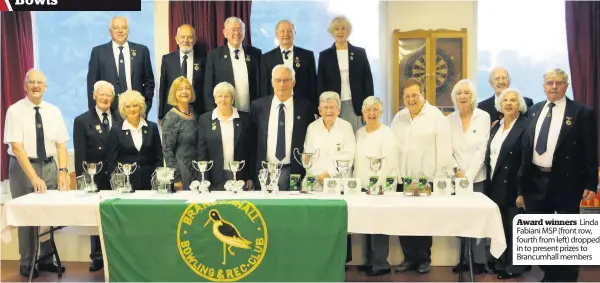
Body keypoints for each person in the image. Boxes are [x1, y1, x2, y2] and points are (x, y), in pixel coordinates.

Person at [517, 68, 597, 282]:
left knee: (566, 235)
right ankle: (550, 274)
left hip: (567, 181)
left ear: (566, 86)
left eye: (559, 83)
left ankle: (567, 278)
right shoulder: (534, 111)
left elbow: (590, 149)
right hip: (535, 180)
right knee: (541, 234)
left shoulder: (582, 112)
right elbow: (527, 148)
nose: (554, 86)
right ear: (544, 86)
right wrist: (521, 184)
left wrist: (591, 182)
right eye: (550, 83)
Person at [4, 69, 69, 278]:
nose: (35, 86)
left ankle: (47, 258)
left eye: (39, 82)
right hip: (23, 167)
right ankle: (27, 261)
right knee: (27, 215)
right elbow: (17, 147)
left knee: (48, 213)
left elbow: (61, 144)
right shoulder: (15, 111)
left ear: (45, 87)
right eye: (31, 82)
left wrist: (62, 171)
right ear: (25, 85)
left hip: (49, 165)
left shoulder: (53, 111)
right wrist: (33, 177)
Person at [390, 78, 454, 274]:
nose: (411, 99)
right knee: (404, 220)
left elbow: (444, 148)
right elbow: (393, 147)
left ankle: (424, 259)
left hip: (426, 179)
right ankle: (409, 257)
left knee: (422, 220)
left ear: (423, 95)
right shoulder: (398, 118)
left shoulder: (436, 116)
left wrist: (439, 177)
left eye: (415, 95)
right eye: (407, 96)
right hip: (404, 178)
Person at [73, 80, 121, 272]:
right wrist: (83, 181)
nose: (105, 97)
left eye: (109, 94)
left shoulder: (121, 117)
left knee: (117, 216)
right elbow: (80, 155)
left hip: (118, 177)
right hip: (95, 178)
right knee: (96, 217)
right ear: (94, 96)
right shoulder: (82, 121)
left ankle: (116, 254)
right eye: (101, 94)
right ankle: (98, 256)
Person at [447, 79, 491, 274]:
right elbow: (447, 149)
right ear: (454, 97)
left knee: (476, 219)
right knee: (460, 219)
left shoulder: (483, 117)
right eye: (459, 93)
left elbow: (483, 149)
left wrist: (469, 175)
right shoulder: (449, 119)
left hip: (477, 177)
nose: (462, 96)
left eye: (466, 92)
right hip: (457, 178)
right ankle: (464, 259)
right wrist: (457, 170)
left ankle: (480, 261)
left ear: (472, 96)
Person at [484, 88, 529, 279]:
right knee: (500, 226)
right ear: (500, 106)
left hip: (514, 184)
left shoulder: (526, 126)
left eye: (513, 100)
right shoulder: (496, 126)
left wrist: (522, 192)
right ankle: (500, 262)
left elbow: (527, 162)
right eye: (505, 101)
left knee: (514, 227)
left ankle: (515, 266)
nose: (509, 104)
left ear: (519, 105)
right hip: (495, 184)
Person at [250, 64, 315, 190]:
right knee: (264, 209)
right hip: (264, 172)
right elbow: (251, 142)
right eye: (278, 80)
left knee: (292, 208)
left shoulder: (305, 107)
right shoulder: (258, 107)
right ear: (272, 82)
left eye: (286, 80)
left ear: (293, 83)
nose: (281, 84)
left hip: (294, 171)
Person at [353, 96, 398, 277]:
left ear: (381, 112)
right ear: (363, 113)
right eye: (368, 110)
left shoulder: (387, 133)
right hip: (362, 186)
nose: (371, 113)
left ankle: (381, 263)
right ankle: (370, 260)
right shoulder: (359, 133)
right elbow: (357, 162)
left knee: (379, 225)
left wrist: (376, 186)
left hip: (380, 188)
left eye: (375, 110)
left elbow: (388, 163)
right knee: (366, 224)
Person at [87, 16, 155, 114]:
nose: (120, 31)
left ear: (128, 30)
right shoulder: (98, 52)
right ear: (110, 31)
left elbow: (149, 82)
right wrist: (95, 114)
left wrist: (145, 107)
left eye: (123, 27)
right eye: (116, 28)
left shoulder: (142, 51)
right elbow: (92, 85)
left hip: (135, 110)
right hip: (108, 111)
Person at [317, 16, 373, 132]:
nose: (340, 32)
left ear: (348, 31)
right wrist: (321, 108)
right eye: (336, 29)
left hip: (355, 103)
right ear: (332, 32)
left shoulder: (359, 53)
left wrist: (369, 105)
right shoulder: (325, 55)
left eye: (343, 28)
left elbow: (368, 81)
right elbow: (320, 84)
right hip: (333, 105)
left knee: (356, 134)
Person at [197, 82, 253, 190]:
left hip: (240, 177)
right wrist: (203, 180)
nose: (223, 99)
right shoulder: (205, 120)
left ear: (232, 99)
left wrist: (250, 177)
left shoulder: (245, 119)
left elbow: (250, 150)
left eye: (227, 96)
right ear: (215, 99)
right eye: (219, 96)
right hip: (215, 178)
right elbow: (202, 152)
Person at [107, 90, 163, 191]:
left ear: (141, 107)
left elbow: (159, 156)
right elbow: (112, 161)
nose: (132, 109)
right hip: (126, 185)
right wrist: (117, 184)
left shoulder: (152, 127)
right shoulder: (116, 130)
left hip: (150, 183)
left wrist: (158, 180)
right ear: (123, 109)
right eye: (128, 106)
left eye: (135, 105)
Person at [204, 17, 262, 112]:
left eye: (240, 29)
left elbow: (261, 85)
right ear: (225, 33)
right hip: (225, 114)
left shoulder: (255, 53)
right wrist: (212, 113)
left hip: (252, 112)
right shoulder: (214, 56)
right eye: (233, 30)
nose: (237, 33)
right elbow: (208, 88)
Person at [261, 20, 317, 112]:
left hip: (302, 107)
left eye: (289, 31)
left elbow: (313, 86)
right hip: (276, 107)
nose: (286, 34)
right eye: (282, 31)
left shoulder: (307, 56)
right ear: (276, 34)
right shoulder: (266, 58)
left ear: (294, 33)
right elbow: (264, 87)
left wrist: (314, 110)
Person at [158, 24, 206, 122]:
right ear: (176, 39)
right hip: (172, 113)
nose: (186, 40)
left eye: (189, 37)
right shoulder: (167, 59)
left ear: (195, 39)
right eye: (182, 37)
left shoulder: (204, 60)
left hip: (197, 114)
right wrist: (160, 115)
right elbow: (163, 88)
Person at [162, 77, 199, 190]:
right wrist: (176, 179)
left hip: (197, 168)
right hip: (182, 170)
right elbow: (167, 150)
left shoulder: (194, 113)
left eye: (187, 88)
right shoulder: (171, 117)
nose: (184, 92)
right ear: (174, 93)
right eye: (179, 89)